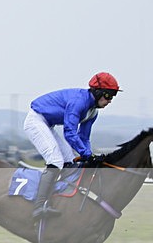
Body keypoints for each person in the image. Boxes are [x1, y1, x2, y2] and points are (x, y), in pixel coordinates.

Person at [23, 72, 120, 219]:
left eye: (113, 97)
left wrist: (89, 155)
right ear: (98, 92)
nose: (110, 100)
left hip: (48, 124)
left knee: (69, 161)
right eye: (108, 96)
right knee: (56, 160)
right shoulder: (79, 102)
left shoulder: (93, 112)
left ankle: (59, 198)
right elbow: (69, 132)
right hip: (35, 121)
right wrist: (87, 155)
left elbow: (83, 137)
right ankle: (39, 206)